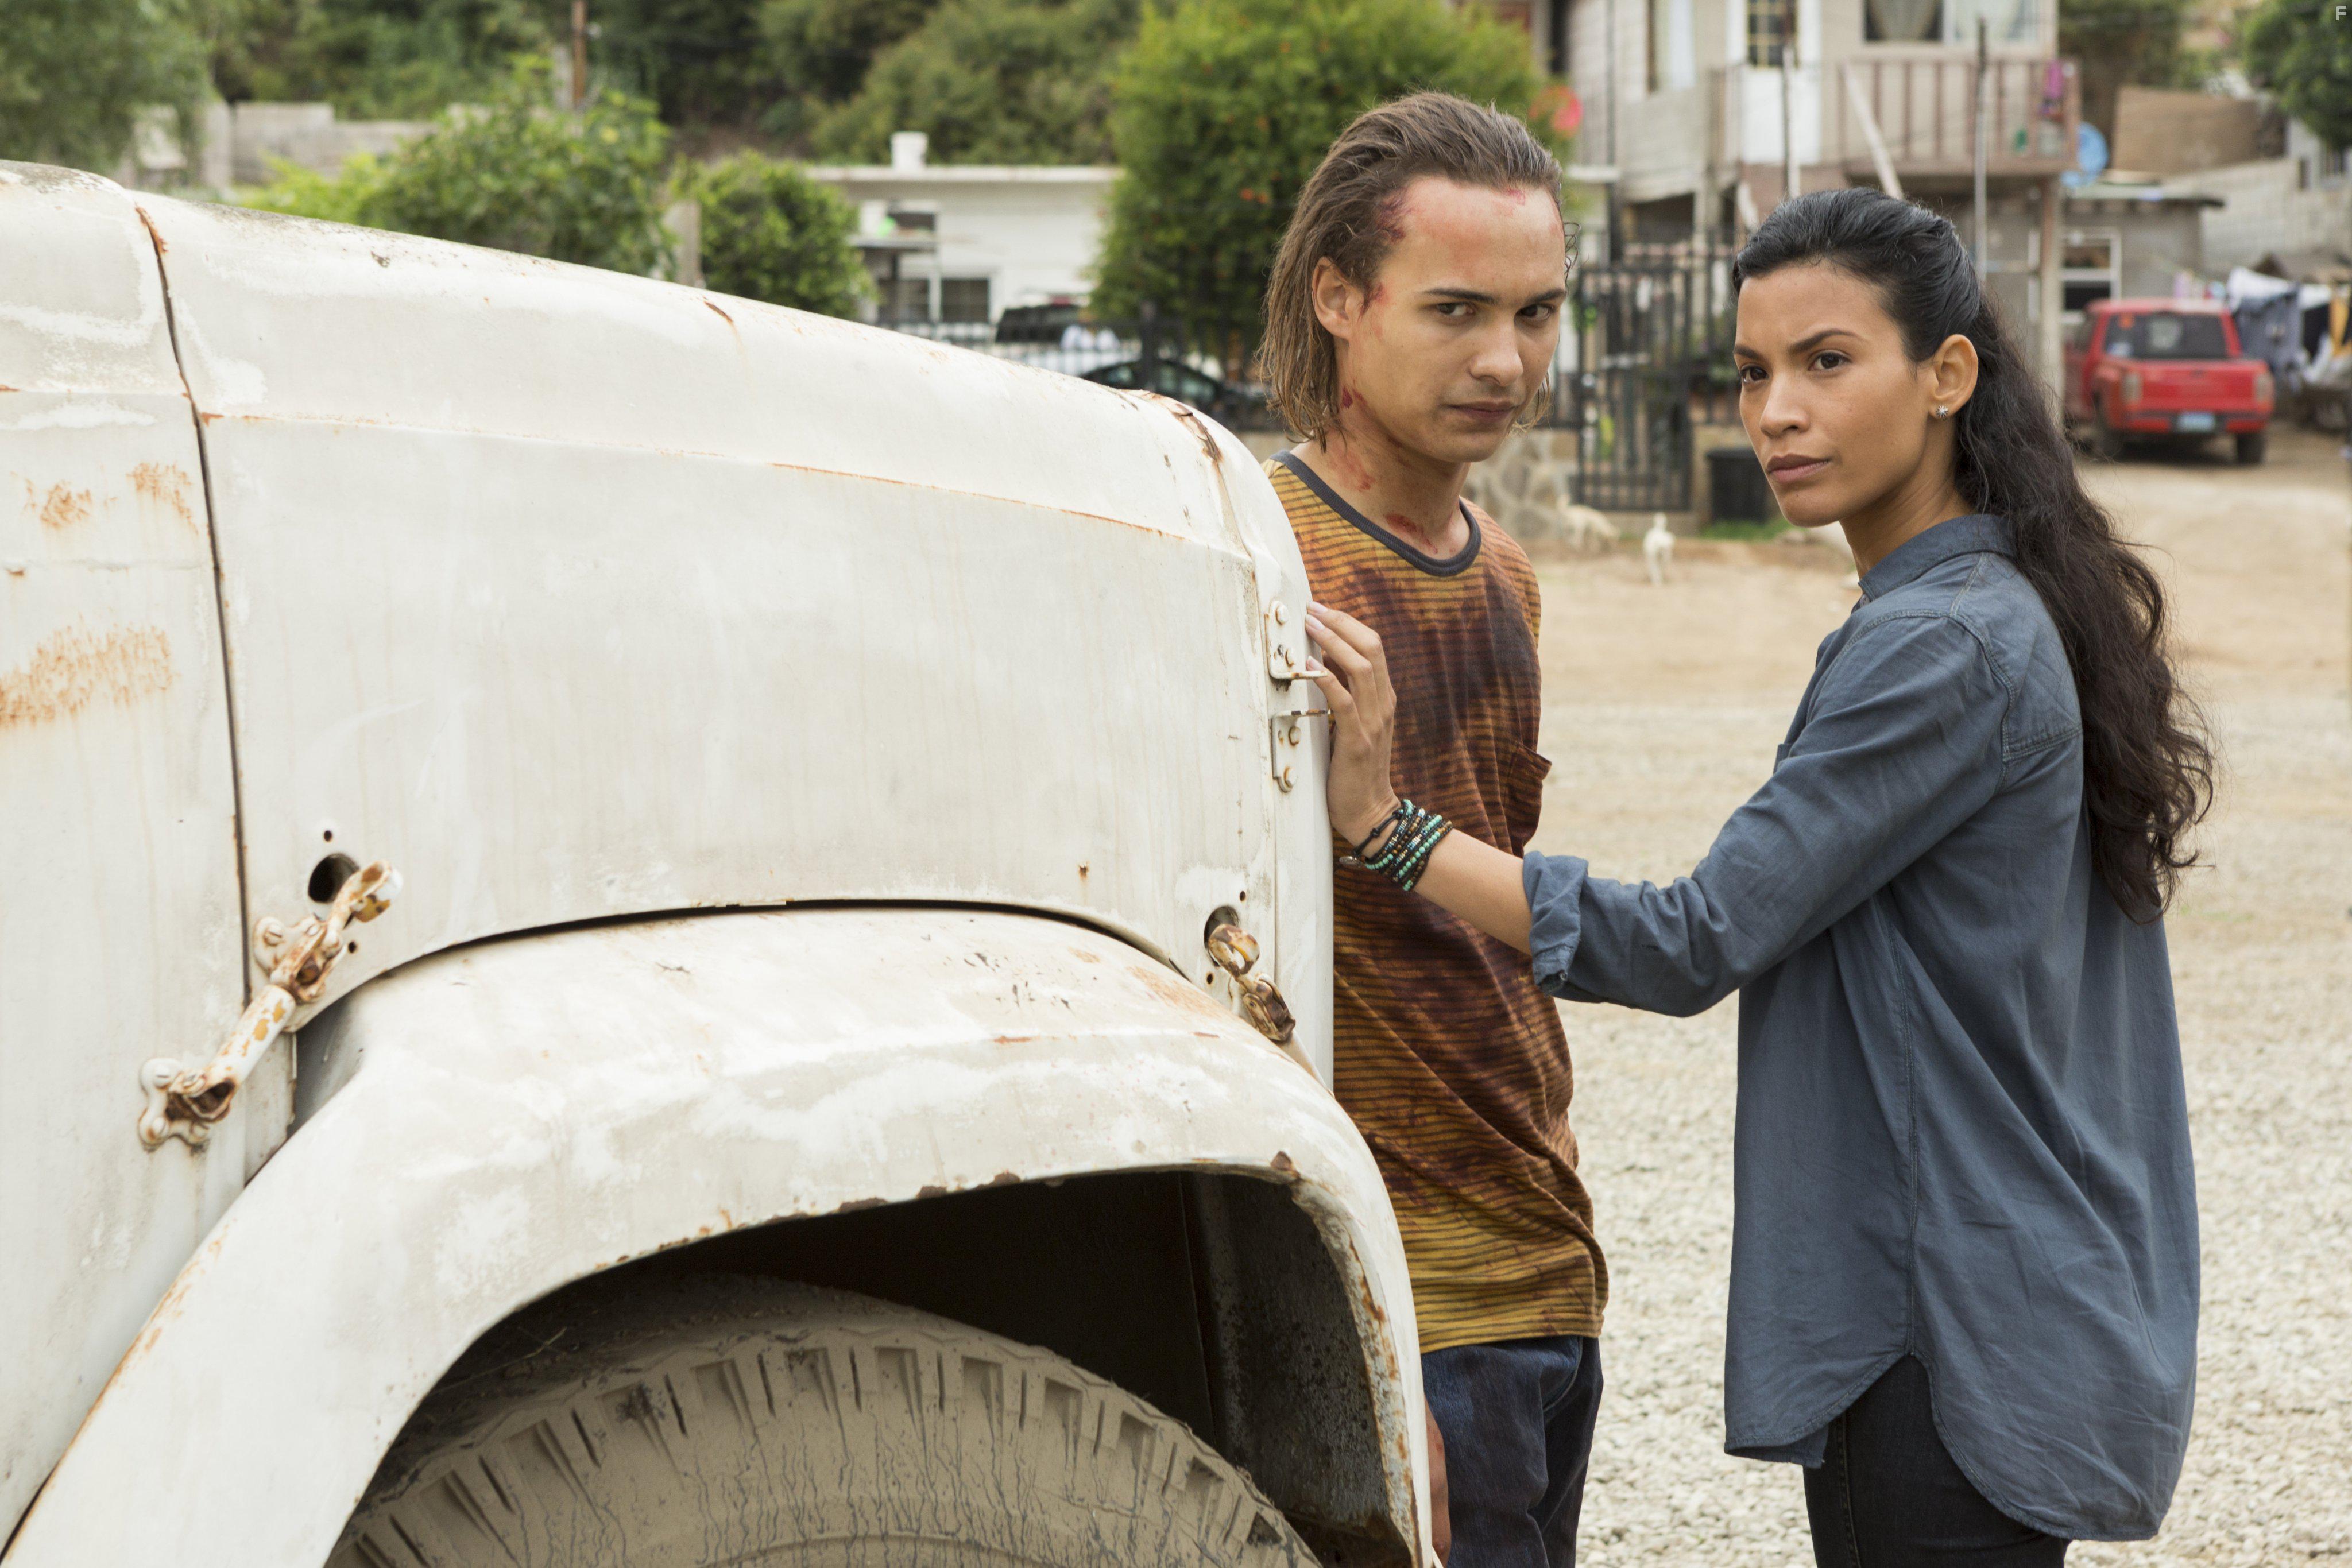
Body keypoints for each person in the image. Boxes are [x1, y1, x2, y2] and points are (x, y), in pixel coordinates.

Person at [1303, 187, 2210, 1566]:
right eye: (1750, 372)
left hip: (1938, 1337)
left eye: (1826, 361)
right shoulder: (1997, 605)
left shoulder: (1939, 646)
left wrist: (1387, 827)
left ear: (1946, 376)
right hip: (2013, 1305)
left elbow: (1691, 937)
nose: (1775, 410)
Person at [1254, 94, 1600, 1565]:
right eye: (1455, 310)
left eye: (1534, 312)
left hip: (1544, 1268)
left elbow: (1491, 919)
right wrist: (1368, 1347)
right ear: (1340, 297)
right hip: (1409, 1294)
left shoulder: (1506, 573)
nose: (1504, 360)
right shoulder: (1261, 562)